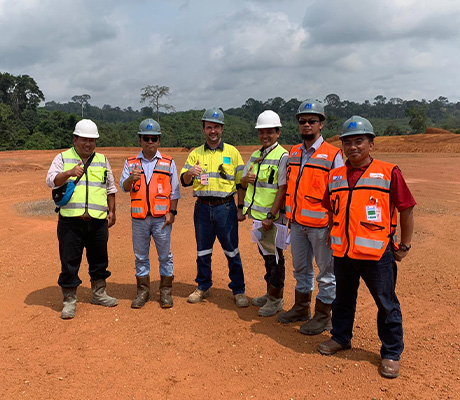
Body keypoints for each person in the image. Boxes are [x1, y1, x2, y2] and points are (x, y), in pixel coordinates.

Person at [317, 116, 415, 379]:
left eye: (359, 141)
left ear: (371, 143)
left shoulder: (388, 172)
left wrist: (404, 244)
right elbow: (331, 208)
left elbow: (406, 208)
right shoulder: (335, 176)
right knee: (343, 299)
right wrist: (333, 231)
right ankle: (340, 337)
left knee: (386, 303)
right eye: (347, 143)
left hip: (376, 255)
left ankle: (391, 353)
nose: (352, 147)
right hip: (343, 253)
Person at [278, 99, 344, 336]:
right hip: (297, 224)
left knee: (326, 273)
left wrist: (335, 225)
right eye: (302, 121)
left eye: (312, 121)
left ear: (321, 123)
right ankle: (301, 307)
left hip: (321, 226)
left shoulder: (333, 155)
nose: (307, 125)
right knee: (301, 269)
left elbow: (339, 194)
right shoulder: (294, 152)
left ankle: (323, 316)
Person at [46, 119, 118, 319]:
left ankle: (99, 293)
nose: (88, 144)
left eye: (92, 140)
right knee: (69, 261)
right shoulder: (63, 157)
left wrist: (112, 211)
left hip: (97, 220)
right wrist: (68, 173)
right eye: (84, 140)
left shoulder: (103, 160)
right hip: (70, 221)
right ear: (75, 139)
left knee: (99, 259)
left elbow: (110, 188)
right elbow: (50, 180)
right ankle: (69, 300)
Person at [180, 107, 248, 307]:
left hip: (225, 208)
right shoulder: (195, 154)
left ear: (222, 128)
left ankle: (238, 290)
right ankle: (203, 286)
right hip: (202, 208)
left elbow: (240, 183)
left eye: (216, 127)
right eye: (209, 127)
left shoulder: (232, 153)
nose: (213, 131)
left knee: (231, 250)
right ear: (203, 129)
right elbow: (184, 181)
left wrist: (240, 207)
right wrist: (190, 172)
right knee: (203, 251)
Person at [119, 119, 180, 309]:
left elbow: (175, 192)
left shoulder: (168, 162)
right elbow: (124, 187)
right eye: (146, 138)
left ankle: (165, 292)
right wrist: (131, 179)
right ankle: (143, 292)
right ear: (140, 140)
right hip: (139, 219)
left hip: (162, 219)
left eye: (154, 138)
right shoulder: (130, 163)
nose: (150, 142)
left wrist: (172, 213)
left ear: (159, 140)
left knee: (165, 256)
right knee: (140, 256)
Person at [240, 110, 288, 317]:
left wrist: (271, 216)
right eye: (261, 132)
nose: (265, 136)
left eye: (269, 132)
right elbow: (242, 182)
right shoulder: (256, 155)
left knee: (275, 258)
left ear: (278, 133)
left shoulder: (282, 156)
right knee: (267, 256)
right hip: (258, 217)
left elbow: (282, 189)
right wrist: (246, 179)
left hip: (272, 219)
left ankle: (276, 299)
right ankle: (270, 293)